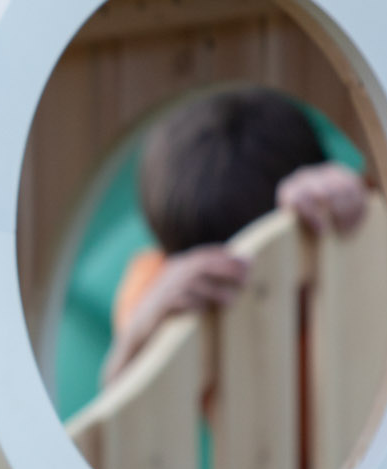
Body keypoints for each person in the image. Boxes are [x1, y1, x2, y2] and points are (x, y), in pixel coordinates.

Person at [100, 87, 367, 383]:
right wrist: (143, 327)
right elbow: (118, 394)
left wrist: (347, 204)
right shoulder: (160, 283)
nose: (235, 299)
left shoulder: (333, 253)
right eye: (213, 280)